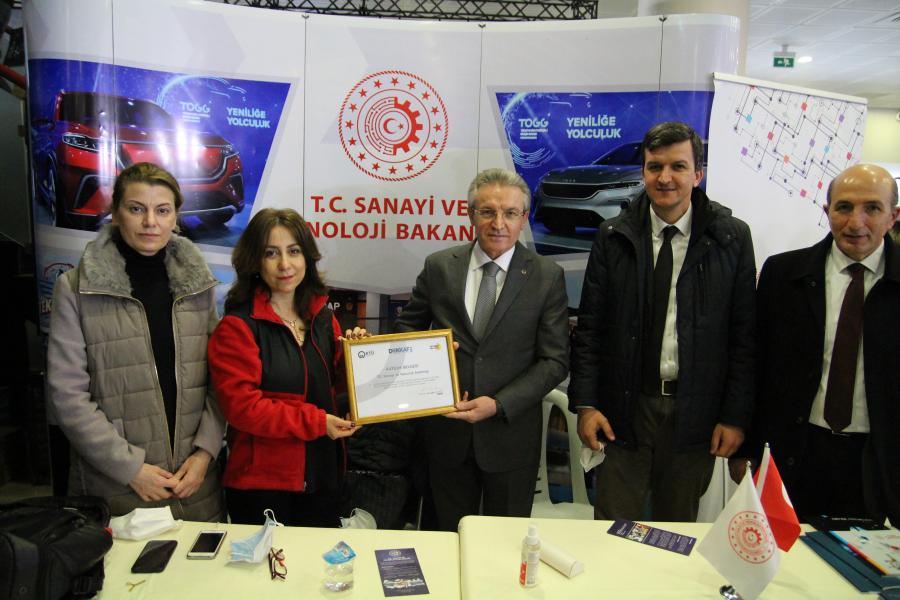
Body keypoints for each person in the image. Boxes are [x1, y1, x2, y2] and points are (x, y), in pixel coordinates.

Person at [569, 121, 756, 522]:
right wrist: (586, 405)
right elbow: (590, 329)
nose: (665, 177)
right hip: (623, 411)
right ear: (643, 172)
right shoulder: (612, 236)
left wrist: (735, 417)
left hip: (696, 415)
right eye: (655, 167)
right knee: (612, 529)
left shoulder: (732, 238)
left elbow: (744, 338)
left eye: (678, 166)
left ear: (698, 174)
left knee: (677, 533)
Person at [394, 168, 570, 532]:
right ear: (470, 214)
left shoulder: (546, 276)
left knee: (505, 544)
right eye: (487, 211)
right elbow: (406, 330)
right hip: (446, 436)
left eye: (510, 213)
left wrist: (499, 404)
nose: (498, 223)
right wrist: (427, 357)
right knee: (447, 539)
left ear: (524, 218)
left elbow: (554, 361)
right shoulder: (440, 267)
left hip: (510, 437)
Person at [47, 162, 224, 520]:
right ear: (115, 214)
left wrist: (206, 453)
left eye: (163, 210)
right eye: (136, 209)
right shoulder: (76, 288)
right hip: (116, 487)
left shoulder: (198, 286)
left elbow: (221, 380)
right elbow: (67, 395)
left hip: (194, 484)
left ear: (175, 217)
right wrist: (130, 469)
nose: (150, 222)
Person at [742, 164, 900, 525]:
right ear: (827, 211)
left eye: (872, 208)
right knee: (786, 553)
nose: (856, 222)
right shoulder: (783, 275)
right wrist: (748, 450)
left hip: (878, 463)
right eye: (844, 207)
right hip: (797, 454)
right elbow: (756, 365)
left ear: (893, 216)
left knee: (864, 560)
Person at [208, 208, 362, 527]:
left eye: (293, 251)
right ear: (254, 261)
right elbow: (244, 409)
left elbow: (335, 388)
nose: (285, 264)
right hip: (264, 488)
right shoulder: (237, 326)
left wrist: (359, 357)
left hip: (323, 474)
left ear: (307, 257)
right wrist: (317, 422)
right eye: (271, 253)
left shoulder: (323, 318)